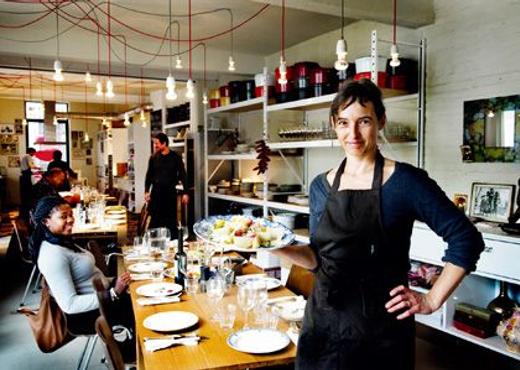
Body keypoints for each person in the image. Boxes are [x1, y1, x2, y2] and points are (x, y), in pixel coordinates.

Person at [271, 79, 485, 370]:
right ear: (334, 124)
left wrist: (432, 300)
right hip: (322, 326)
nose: (353, 134)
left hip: (380, 333)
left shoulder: (406, 182)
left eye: (364, 121)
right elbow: (317, 259)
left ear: (381, 121)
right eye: (344, 123)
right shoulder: (320, 186)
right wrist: (276, 245)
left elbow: (466, 239)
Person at [29, 195, 135, 358]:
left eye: (71, 214)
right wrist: (112, 294)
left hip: (102, 300)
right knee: (139, 308)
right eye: (63, 217)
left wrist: (114, 282)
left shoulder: (61, 241)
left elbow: (87, 278)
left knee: (140, 295)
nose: (71, 220)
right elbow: (70, 305)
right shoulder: (52, 254)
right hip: (86, 316)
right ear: (45, 221)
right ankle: (134, 356)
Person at [144, 132, 189, 238]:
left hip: (170, 194)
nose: (155, 146)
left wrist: (186, 193)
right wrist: (146, 191)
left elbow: (183, 175)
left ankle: (172, 246)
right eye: (154, 143)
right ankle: (153, 246)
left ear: (164, 143)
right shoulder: (153, 158)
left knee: (170, 222)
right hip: (156, 193)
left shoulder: (175, 157)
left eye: (157, 143)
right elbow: (149, 176)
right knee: (154, 222)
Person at [19, 147, 40, 220]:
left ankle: (25, 207)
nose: (34, 154)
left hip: (23, 174)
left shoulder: (24, 156)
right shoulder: (28, 156)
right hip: (26, 174)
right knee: (29, 190)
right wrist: (38, 168)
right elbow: (31, 166)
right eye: (34, 153)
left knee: (25, 191)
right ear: (31, 152)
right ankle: (30, 208)